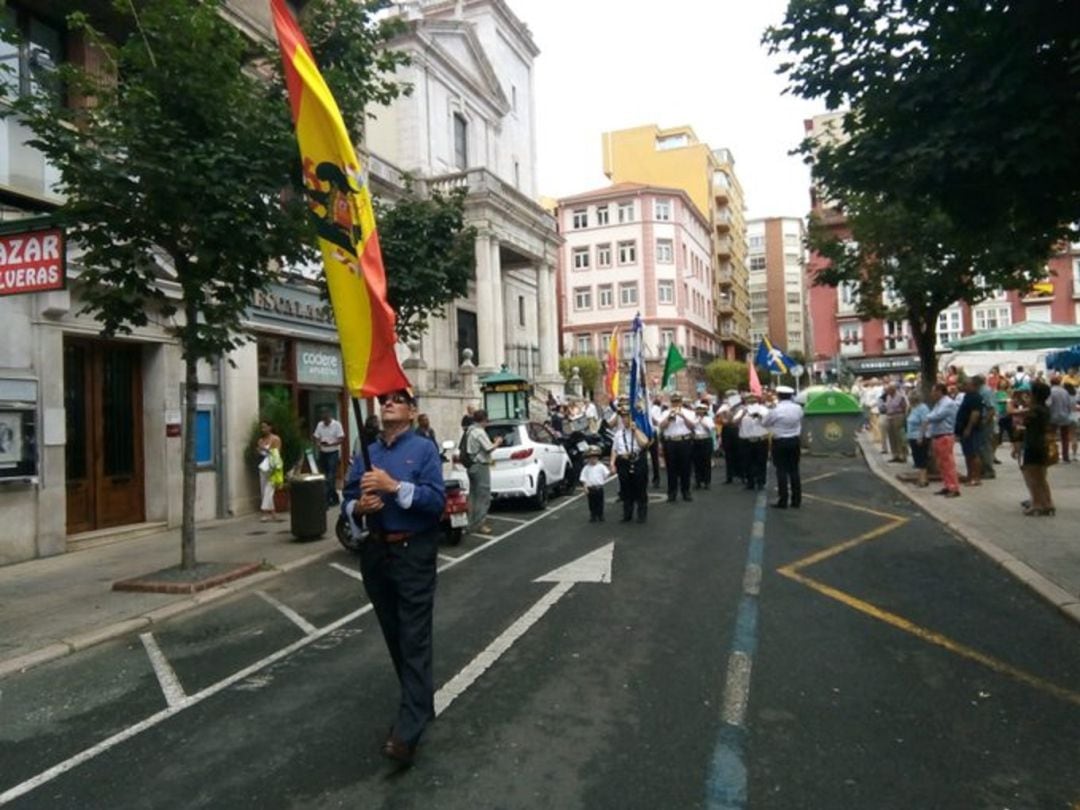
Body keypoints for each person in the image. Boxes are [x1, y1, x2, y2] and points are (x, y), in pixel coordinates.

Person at [341, 387, 445, 766]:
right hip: (377, 551)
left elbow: (436, 502)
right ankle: (420, 702)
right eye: (384, 399)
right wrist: (359, 505)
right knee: (394, 633)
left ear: (412, 410)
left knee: (414, 635)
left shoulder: (424, 450)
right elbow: (348, 496)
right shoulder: (369, 452)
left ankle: (408, 730)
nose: (388, 403)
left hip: (412, 550)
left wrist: (394, 488)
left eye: (397, 399)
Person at [1016, 380, 1055, 516]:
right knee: (1042, 477)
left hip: (1033, 444)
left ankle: (1037, 504)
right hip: (1043, 444)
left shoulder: (1034, 411)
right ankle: (1048, 503)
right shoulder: (1045, 409)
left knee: (1032, 476)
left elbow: (1024, 423)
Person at [464, 409, 503, 534]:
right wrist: (497, 442)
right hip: (480, 465)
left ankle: (469, 523)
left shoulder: (469, 430)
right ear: (484, 420)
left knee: (473, 495)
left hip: (471, 465)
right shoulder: (479, 432)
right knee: (484, 496)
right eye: (487, 420)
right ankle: (480, 524)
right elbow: (489, 448)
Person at [763, 386, 803, 509]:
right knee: (794, 470)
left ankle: (783, 500)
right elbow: (801, 419)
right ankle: (796, 500)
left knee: (781, 470)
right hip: (794, 440)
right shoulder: (798, 408)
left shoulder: (776, 410)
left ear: (779, 395)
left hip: (780, 441)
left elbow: (765, 423)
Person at [610, 403, 650, 523]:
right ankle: (627, 514)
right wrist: (612, 463)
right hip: (623, 462)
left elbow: (644, 443)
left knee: (640, 489)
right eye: (623, 417)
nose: (624, 419)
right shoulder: (618, 434)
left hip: (637, 461)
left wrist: (635, 430)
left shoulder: (639, 430)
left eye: (627, 416)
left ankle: (641, 514)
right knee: (626, 489)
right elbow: (614, 449)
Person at [926, 382, 961, 497]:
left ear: (940, 391)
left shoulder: (948, 403)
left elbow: (936, 416)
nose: (932, 394)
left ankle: (954, 488)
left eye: (933, 391)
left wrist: (926, 418)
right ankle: (947, 485)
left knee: (948, 463)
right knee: (941, 464)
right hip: (937, 435)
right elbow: (932, 414)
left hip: (945, 435)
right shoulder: (939, 403)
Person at [660, 393, 695, 502]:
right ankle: (672, 493)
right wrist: (669, 418)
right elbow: (661, 427)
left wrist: (682, 416)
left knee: (685, 468)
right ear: (671, 402)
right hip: (670, 442)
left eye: (678, 402)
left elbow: (692, 426)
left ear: (681, 402)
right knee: (671, 469)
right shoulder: (665, 412)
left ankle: (686, 491)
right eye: (674, 402)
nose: (676, 404)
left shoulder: (688, 412)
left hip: (684, 441)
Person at [735, 392, 769, 491]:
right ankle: (750, 482)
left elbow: (769, 421)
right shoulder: (742, 410)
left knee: (761, 462)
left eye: (752, 399)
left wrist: (760, 416)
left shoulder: (763, 409)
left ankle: (761, 482)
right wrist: (743, 414)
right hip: (746, 441)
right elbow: (734, 422)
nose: (751, 401)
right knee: (747, 462)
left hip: (760, 440)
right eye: (748, 400)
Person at [954, 377, 984, 486]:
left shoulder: (975, 397)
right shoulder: (967, 396)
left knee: (974, 454)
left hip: (972, 431)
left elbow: (975, 414)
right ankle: (970, 475)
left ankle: (976, 477)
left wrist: (968, 428)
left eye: (966, 384)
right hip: (963, 430)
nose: (963, 386)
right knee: (968, 454)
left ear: (973, 386)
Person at [312, 408, 345, 506]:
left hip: (333, 452)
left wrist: (331, 443)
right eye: (323, 419)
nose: (324, 421)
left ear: (330, 416)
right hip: (323, 452)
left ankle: (326, 500)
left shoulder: (337, 425)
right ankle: (334, 497)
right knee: (325, 476)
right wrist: (318, 443)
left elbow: (341, 438)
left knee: (330, 476)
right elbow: (316, 436)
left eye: (326, 419)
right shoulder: (320, 425)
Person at [255, 420, 284, 522]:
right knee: (264, 489)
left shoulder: (275, 439)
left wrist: (265, 449)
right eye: (262, 427)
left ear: (270, 427)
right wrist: (259, 450)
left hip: (272, 466)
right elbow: (258, 453)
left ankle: (266, 511)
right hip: (263, 467)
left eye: (265, 427)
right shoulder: (260, 440)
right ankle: (271, 513)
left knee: (269, 489)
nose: (263, 429)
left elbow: (276, 452)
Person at [905, 390, 931, 488]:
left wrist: (921, 436)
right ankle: (922, 478)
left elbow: (925, 422)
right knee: (917, 458)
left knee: (921, 458)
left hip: (920, 436)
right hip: (912, 436)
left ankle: (923, 480)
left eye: (910, 398)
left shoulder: (923, 408)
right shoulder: (913, 408)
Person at [1048, 375, 1073, 463]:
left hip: (1053, 417)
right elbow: (1069, 405)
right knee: (1065, 438)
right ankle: (1066, 457)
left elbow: (1048, 404)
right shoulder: (1065, 391)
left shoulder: (1050, 391)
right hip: (1065, 416)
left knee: (1052, 437)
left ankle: (1053, 454)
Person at [580, 446, 607, 522]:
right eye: (591, 458)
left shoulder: (601, 466)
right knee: (592, 503)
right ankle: (593, 515)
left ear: (598, 458)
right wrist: (585, 487)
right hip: (590, 488)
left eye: (595, 458)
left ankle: (600, 515)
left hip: (599, 488)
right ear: (588, 459)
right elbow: (583, 478)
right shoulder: (586, 468)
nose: (593, 459)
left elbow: (606, 474)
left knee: (600, 502)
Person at [883, 383, 909, 463]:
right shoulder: (888, 397)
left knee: (900, 436)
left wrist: (903, 417)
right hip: (889, 416)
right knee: (891, 436)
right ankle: (895, 455)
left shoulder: (900, 396)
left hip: (898, 416)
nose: (887, 392)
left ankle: (903, 455)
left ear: (893, 389)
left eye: (888, 390)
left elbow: (904, 407)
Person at [691, 401, 713, 489]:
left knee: (706, 461)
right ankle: (698, 481)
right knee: (697, 462)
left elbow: (710, 428)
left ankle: (707, 481)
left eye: (702, 410)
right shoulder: (694, 418)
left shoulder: (708, 419)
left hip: (706, 439)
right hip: (696, 440)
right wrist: (697, 421)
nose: (700, 411)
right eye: (698, 409)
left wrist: (702, 421)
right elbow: (691, 427)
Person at [648, 395, 665, 488]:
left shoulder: (655, 408)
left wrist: (649, 416)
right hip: (642, 432)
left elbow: (657, 422)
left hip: (652, 433)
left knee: (654, 457)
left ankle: (656, 479)